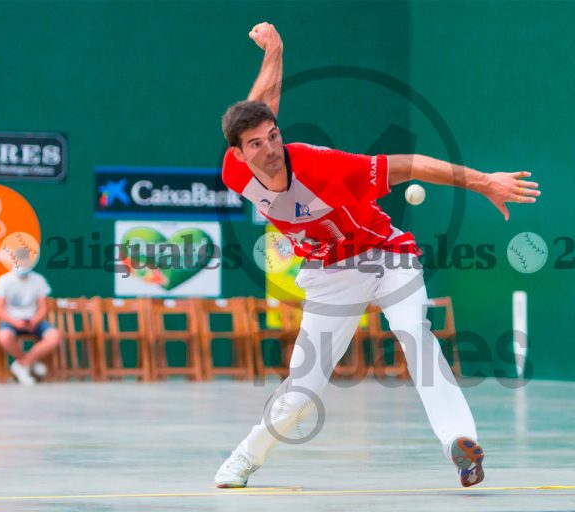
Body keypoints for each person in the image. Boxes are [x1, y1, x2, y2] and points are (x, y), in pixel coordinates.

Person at [215, 22, 540, 488]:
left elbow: (411, 166)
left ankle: (461, 443)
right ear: (238, 154)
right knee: (302, 390)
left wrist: (485, 181)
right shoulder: (236, 173)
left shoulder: (324, 167)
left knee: (415, 334)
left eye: (273, 136)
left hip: (387, 256)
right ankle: (245, 458)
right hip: (329, 274)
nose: (270, 149)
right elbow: (261, 102)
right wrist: (275, 50)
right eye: (255, 144)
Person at [0, 247, 60, 385]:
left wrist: (35, 321)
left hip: (34, 321)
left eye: (25, 261)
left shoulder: (39, 280)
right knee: (4, 336)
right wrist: (14, 322)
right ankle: (29, 364)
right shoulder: (3, 280)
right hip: (11, 321)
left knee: (54, 336)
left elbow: (43, 308)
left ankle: (22, 364)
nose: (22, 264)